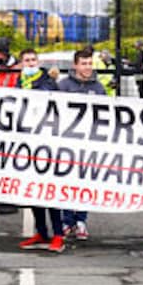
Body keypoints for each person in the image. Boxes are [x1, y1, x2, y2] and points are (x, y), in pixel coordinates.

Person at [14, 48, 66, 254]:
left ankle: (58, 234)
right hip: (28, 144)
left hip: (47, 143)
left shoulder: (47, 81)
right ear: (21, 63)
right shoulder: (18, 83)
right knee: (34, 192)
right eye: (26, 60)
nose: (30, 63)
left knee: (49, 191)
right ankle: (42, 232)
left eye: (33, 60)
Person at [58, 48, 108, 241]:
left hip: (89, 144)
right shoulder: (63, 86)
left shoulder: (98, 88)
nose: (88, 67)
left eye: (90, 63)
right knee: (67, 181)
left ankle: (81, 221)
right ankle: (66, 221)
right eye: (84, 63)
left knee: (85, 182)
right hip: (68, 143)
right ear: (75, 65)